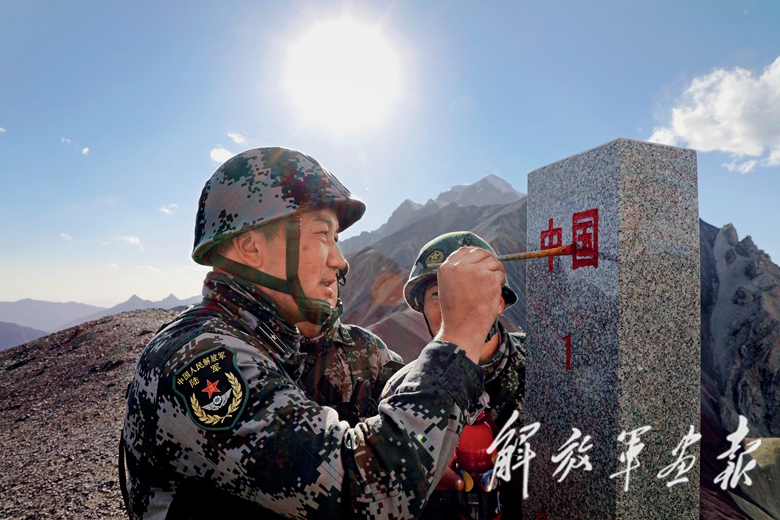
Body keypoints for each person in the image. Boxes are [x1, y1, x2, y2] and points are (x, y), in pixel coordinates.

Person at [121, 147, 506, 519]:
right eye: (323, 235)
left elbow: (405, 402)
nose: (339, 261)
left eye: (336, 240)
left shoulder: (298, 342)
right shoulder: (199, 359)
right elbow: (365, 491)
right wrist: (458, 338)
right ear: (251, 247)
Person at [384, 231, 526, 520]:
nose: (455, 303)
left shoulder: (545, 362)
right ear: (422, 311)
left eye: (472, 288)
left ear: (499, 301)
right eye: (439, 295)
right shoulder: (403, 390)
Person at [297, 264, 404, 425]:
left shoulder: (368, 347)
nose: (328, 285)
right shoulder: (267, 351)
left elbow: (401, 418)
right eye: (315, 276)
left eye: (331, 278)